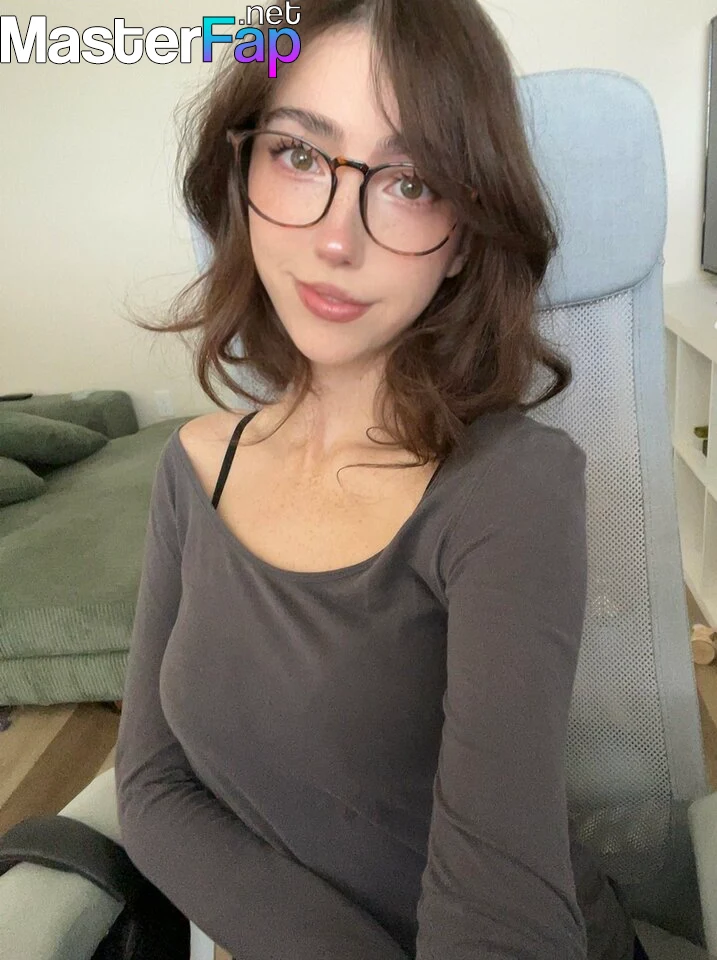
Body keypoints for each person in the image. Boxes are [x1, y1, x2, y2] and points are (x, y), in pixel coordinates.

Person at [114, 0, 647, 957]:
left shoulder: (511, 490)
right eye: (299, 154)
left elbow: (500, 919)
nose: (335, 239)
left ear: (465, 234)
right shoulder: (191, 468)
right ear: (240, 174)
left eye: (409, 182)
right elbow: (153, 789)